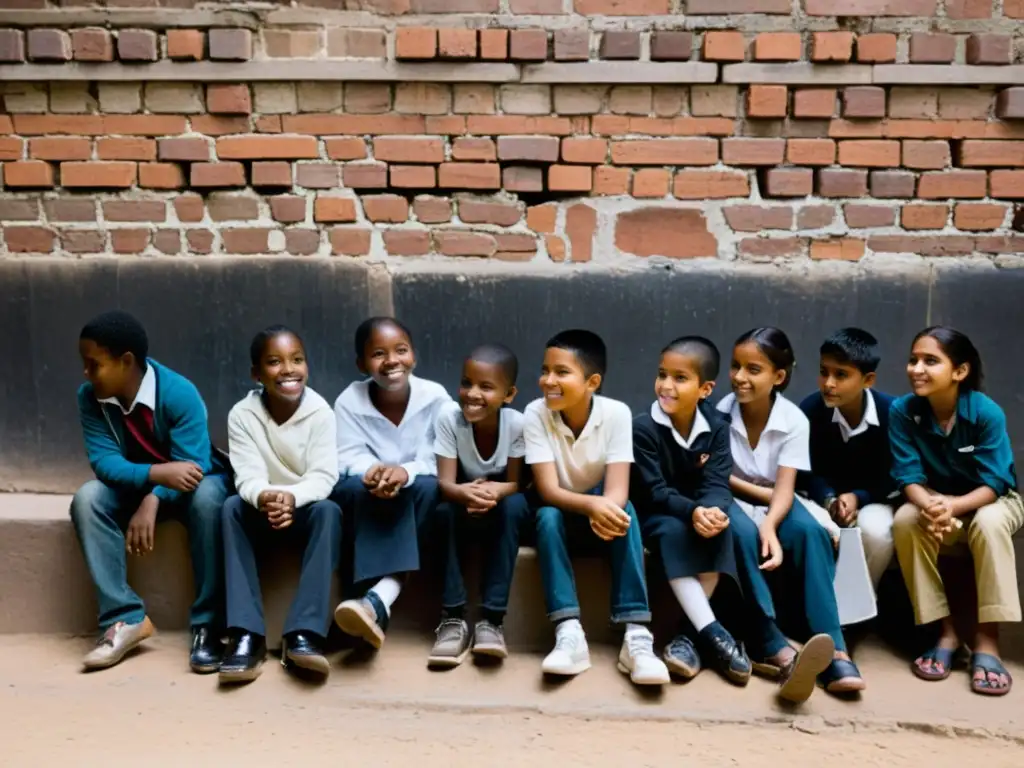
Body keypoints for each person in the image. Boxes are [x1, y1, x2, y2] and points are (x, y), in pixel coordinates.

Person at [71, 310, 230, 673]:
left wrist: (155, 497)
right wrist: (158, 474)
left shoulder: (179, 393)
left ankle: (207, 625)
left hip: (190, 488)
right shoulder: (90, 397)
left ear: (126, 361)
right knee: (88, 498)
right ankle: (124, 618)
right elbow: (105, 463)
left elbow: (192, 469)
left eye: (94, 364)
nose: (86, 373)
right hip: (135, 487)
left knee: (209, 497)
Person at [718, 327, 865, 698]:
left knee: (808, 533)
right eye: (735, 366)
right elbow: (721, 479)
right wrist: (758, 509)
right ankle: (771, 639)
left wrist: (771, 524)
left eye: (753, 369)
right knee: (740, 532)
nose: (739, 377)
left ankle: (834, 649)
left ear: (778, 377)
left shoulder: (794, 420)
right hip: (730, 498)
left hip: (779, 500)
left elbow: (785, 489)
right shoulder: (718, 414)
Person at [524, 329, 669, 686]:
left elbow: (618, 491)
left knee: (627, 511)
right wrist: (593, 506)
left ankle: (636, 634)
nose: (548, 381)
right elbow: (547, 489)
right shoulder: (535, 413)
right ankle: (569, 632)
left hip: (602, 518)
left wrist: (604, 512)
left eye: (561, 372)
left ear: (592, 382)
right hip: (562, 514)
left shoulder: (617, 414)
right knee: (546, 516)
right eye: (545, 370)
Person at [891, 326, 1021, 697]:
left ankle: (987, 642)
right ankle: (945, 633)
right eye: (913, 359)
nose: (917, 368)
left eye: (930, 361)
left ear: (959, 372)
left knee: (991, 523)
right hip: (933, 501)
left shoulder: (984, 412)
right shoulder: (904, 411)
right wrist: (931, 505)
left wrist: (954, 506)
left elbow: (995, 482)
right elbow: (906, 475)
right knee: (903, 520)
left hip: (991, 502)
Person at [218, 327, 342, 684]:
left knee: (330, 512)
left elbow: (323, 477)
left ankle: (305, 633)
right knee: (230, 508)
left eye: (297, 360)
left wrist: (292, 498)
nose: (288, 369)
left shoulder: (321, 413)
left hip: (303, 507)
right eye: (275, 362)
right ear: (257, 374)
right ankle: (247, 635)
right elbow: (247, 476)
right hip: (262, 506)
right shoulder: (242, 414)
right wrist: (266, 497)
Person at [631, 336, 750, 685]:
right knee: (672, 533)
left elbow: (717, 481)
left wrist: (711, 510)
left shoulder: (717, 425)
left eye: (680, 378)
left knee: (719, 529)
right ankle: (716, 635)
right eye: (662, 374)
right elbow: (655, 492)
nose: (666, 385)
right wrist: (693, 511)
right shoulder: (644, 428)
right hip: (656, 513)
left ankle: (686, 639)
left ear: (705, 388)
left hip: (695, 512)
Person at [331, 317, 452, 649]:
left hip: (417, 491)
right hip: (371, 492)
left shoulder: (435, 398)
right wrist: (373, 471)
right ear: (361, 363)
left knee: (430, 485)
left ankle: (375, 599)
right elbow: (346, 456)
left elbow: (443, 456)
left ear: (414, 354)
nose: (392, 361)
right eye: (378, 354)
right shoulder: (349, 401)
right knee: (351, 487)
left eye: (401, 350)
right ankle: (372, 602)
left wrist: (405, 472)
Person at [429, 343, 530, 667]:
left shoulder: (516, 424)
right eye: (466, 382)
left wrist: (492, 494)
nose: (472, 393)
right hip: (461, 504)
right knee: (441, 512)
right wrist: (465, 495)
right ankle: (453, 618)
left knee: (516, 507)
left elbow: (516, 483)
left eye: (486, 387)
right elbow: (445, 484)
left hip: (499, 508)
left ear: (509, 394)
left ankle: (491, 620)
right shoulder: (449, 418)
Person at [799, 328, 897, 588]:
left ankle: (858, 606)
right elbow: (804, 472)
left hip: (876, 501)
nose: (828, 383)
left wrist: (859, 497)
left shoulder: (893, 414)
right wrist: (830, 498)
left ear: (868, 380)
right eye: (823, 372)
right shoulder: (810, 410)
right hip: (823, 502)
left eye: (840, 374)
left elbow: (896, 475)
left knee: (876, 532)